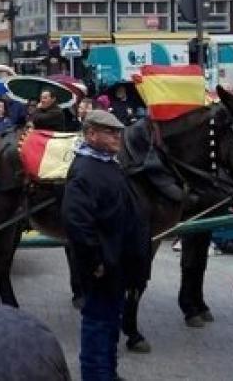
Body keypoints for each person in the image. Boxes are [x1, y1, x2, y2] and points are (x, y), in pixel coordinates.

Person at [62, 109, 151, 381]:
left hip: (118, 263)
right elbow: (77, 222)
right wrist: (96, 262)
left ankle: (108, 374)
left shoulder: (107, 163)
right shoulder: (85, 170)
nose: (117, 137)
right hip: (104, 266)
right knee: (98, 326)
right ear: (90, 134)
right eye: (110, 132)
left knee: (111, 324)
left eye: (118, 132)